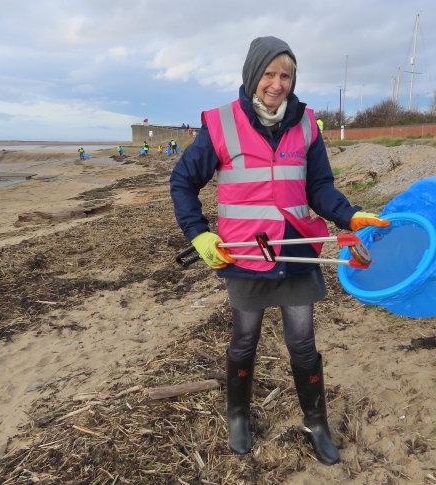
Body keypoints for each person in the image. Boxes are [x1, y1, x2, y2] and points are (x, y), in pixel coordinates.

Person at [170, 36, 389, 465]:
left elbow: (319, 187)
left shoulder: (307, 125)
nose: (277, 83)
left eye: (285, 75)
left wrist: (350, 216)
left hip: (297, 249)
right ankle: (238, 417)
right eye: (269, 74)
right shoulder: (220, 123)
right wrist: (198, 234)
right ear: (253, 75)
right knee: (244, 339)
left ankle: (317, 423)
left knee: (303, 343)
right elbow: (182, 182)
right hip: (245, 252)